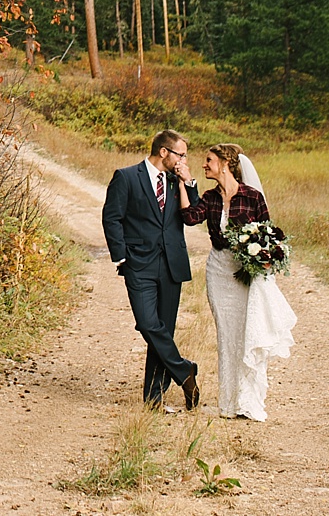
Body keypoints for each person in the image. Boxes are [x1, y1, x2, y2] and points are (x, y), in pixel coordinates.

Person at [174, 143, 297, 420]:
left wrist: (265, 258)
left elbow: (270, 233)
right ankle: (228, 403)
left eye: (209, 160)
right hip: (218, 272)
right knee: (226, 336)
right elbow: (190, 217)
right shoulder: (209, 197)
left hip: (246, 275)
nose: (205, 164)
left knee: (247, 333)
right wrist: (183, 183)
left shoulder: (252, 197)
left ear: (225, 163)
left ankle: (249, 401)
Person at [101, 129, 200, 411]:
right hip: (139, 265)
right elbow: (112, 218)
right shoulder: (126, 177)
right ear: (164, 152)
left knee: (164, 330)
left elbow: (192, 216)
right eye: (181, 155)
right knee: (147, 324)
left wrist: (188, 181)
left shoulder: (175, 181)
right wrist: (121, 257)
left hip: (172, 265)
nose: (184, 160)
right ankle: (185, 371)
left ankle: (154, 400)